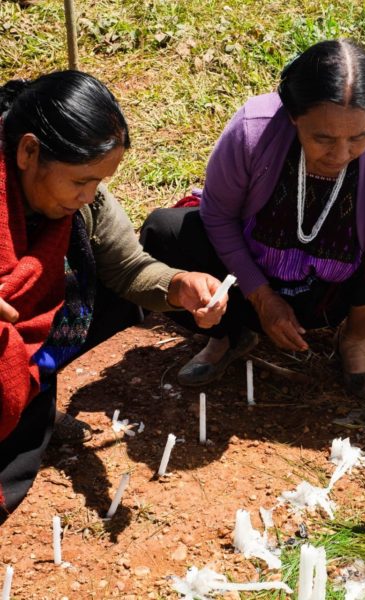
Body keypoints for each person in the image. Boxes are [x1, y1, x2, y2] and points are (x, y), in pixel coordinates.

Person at [141, 39, 365, 398]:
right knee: (164, 234)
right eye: (322, 137)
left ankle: (354, 339)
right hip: (246, 278)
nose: (341, 154)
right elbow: (218, 217)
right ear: (293, 115)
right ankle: (228, 334)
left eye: (360, 136)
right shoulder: (254, 130)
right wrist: (261, 296)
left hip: (334, 293)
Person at [0, 70, 227, 524]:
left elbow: (128, 268)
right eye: (80, 181)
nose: (88, 196)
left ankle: (29, 392)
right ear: (28, 152)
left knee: (14, 471)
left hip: (20, 356)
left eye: (99, 183)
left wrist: (179, 285)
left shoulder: (86, 206)